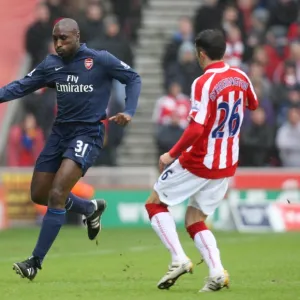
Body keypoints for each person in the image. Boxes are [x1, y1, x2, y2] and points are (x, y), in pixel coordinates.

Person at [0, 18, 141, 280]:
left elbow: (132, 77)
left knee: (57, 193)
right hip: (60, 133)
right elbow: (21, 86)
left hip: (88, 133)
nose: (58, 44)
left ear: (77, 36)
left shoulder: (100, 59)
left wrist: (129, 110)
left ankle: (34, 262)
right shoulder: (51, 64)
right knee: (39, 194)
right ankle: (89, 209)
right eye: (55, 39)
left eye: (63, 38)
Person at [145, 29, 258, 292]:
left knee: (154, 203)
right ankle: (217, 271)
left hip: (200, 159)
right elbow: (253, 103)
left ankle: (178, 259)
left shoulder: (203, 82)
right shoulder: (241, 76)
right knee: (195, 218)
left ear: (201, 53)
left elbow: (196, 129)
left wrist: (171, 154)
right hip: (227, 162)